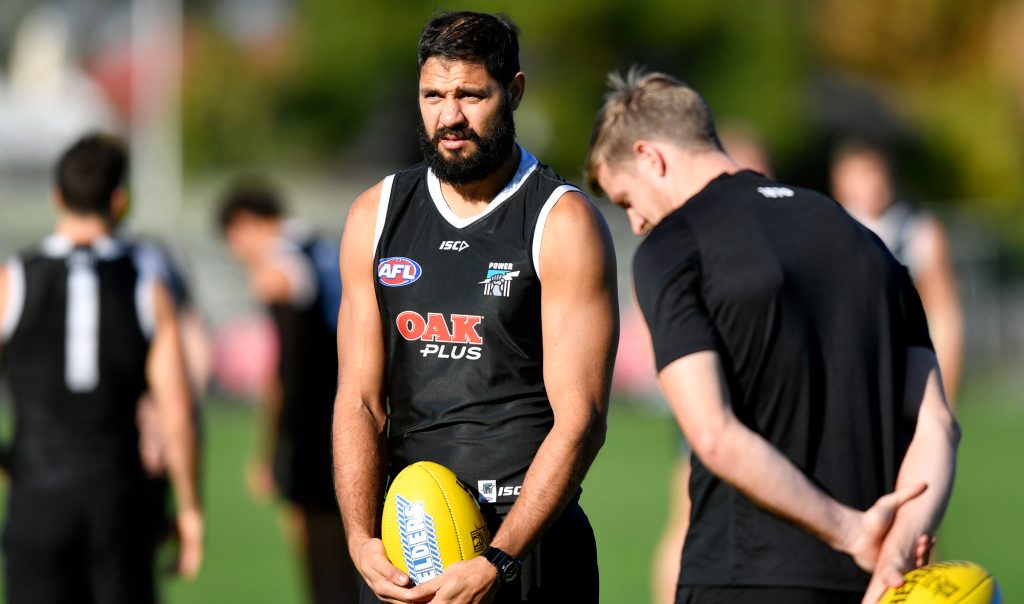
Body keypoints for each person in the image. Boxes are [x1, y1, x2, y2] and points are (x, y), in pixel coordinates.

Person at [586, 68, 959, 604]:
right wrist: (896, 549)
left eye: (626, 200)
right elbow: (937, 422)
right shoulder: (864, 240)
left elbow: (713, 433)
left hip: (743, 577)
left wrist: (850, 531)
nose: (637, 223)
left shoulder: (674, 247)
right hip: (872, 584)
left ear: (650, 157)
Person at [332, 11, 618, 604]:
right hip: (409, 548)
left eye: (470, 95)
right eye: (433, 96)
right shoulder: (374, 216)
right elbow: (359, 401)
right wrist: (360, 540)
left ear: (513, 91)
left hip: (528, 551)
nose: (450, 117)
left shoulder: (561, 222)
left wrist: (498, 559)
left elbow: (582, 420)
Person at [0, 133, 203, 603]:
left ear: (56, 197)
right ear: (119, 201)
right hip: (119, 498)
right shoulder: (146, 286)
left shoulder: (14, 282)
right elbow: (177, 411)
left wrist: (11, 463)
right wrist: (190, 508)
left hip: (37, 496)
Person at [650, 122, 775, 604]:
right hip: (711, 397)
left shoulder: (775, 231)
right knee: (688, 514)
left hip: (765, 401)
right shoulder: (694, 235)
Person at [217, 181, 357, 604]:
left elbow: (284, 370)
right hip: (361, 411)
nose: (238, 254)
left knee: (318, 549)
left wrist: (271, 450)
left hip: (314, 424)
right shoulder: (327, 248)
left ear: (245, 224)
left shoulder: (278, 267)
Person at [830, 140, 963, 402]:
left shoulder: (918, 231)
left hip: (904, 366)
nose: (871, 183)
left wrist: (945, 389)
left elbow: (943, 314)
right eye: (859, 174)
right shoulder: (829, 229)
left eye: (874, 171)